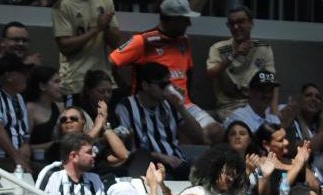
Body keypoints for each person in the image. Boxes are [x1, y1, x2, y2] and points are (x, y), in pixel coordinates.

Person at [109, 0, 220, 143]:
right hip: (157, 104)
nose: (189, 24)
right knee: (188, 137)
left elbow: (189, 72)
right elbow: (111, 62)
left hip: (184, 103)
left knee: (217, 132)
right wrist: (123, 87)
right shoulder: (143, 40)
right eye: (185, 20)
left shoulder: (183, 41)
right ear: (171, 20)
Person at [115, 63, 203, 179]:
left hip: (177, 163)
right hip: (148, 166)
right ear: (145, 85)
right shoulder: (127, 107)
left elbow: (199, 136)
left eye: (169, 84)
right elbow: (124, 149)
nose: (167, 89)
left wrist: (181, 107)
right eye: (162, 85)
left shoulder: (171, 104)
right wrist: (160, 156)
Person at [207, 7, 276, 119]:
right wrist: (234, 54)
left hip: (257, 104)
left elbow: (271, 82)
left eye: (241, 22)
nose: (236, 27)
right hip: (230, 105)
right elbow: (211, 74)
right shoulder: (219, 48)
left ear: (251, 23)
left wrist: (274, 112)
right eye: (231, 24)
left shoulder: (263, 48)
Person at [52, 0, 122, 98]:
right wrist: (97, 29)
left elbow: (117, 44)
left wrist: (106, 27)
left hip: (104, 82)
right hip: (76, 83)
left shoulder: (106, 1)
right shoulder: (63, 4)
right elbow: (65, 48)